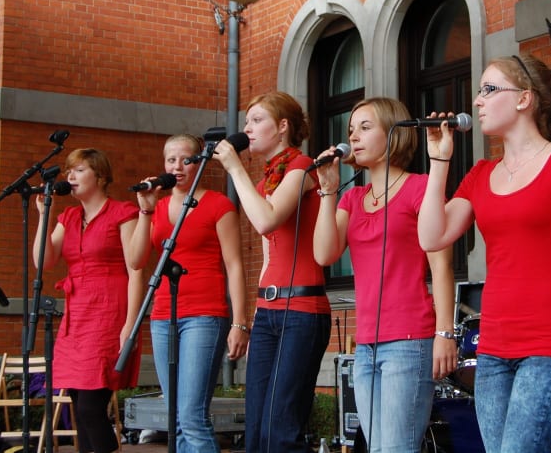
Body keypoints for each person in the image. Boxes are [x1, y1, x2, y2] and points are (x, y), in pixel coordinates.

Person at [417, 54, 551, 453]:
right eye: (479, 92)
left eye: (489, 90)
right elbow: (431, 236)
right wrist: (439, 161)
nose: (477, 101)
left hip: (550, 345)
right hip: (492, 348)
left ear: (524, 99)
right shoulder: (480, 174)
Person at [312, 97, 457, 453]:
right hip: (366, 345)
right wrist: (329, 191)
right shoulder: (352, 197)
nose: (354, 137)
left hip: (410, 339)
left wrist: (445, 333)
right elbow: (324, 253)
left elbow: (441, 267)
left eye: (365, 127)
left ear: (393, 133)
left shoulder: (420, 188)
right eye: (351, 130)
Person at [213, 91, 331, 453]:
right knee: (258, 433)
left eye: (256, 120)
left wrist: (235, 168)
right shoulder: (266, 183)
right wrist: (249, 318)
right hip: (269, 312)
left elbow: (266, 221)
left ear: (282, 127)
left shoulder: (303, 167)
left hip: (302, 311)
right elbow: (267, 256)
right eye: (247, 121)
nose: (247, 128)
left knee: (282, 431)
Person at [128, 134, 248, 453]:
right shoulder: (160, 206)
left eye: (185, 159)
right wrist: (145, 211)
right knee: (176, 419)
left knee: (192, 416)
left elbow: (234, 265)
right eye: (170, 160)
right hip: (164, 314)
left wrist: (240, 322)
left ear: (200, 163)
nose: (177, 166)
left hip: (205, 315)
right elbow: (137, 261)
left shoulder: (219, 205)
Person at [32, 148, 143, 453]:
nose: (70, 176)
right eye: (69, 171)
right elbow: (44, 261)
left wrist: (130, 326)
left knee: (91, 408)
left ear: (101, 176)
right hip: (77, 314)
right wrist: (45, 216)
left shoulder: (122, 213)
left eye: (79, 170)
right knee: (78, 403)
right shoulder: (68, 216)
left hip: (109, 312)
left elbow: (136, 271)